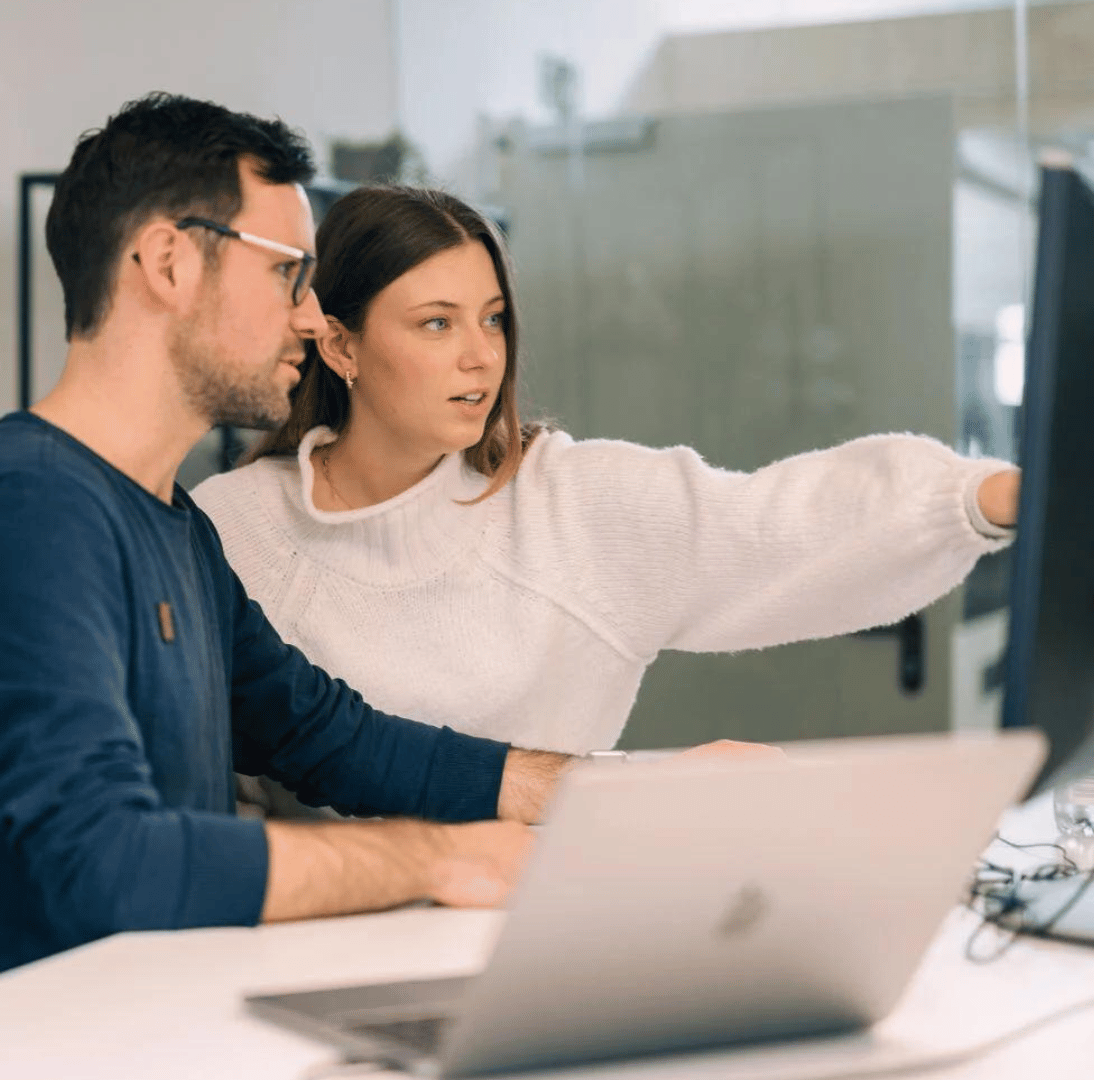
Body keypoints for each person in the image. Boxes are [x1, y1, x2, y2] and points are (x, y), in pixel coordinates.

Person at [1, 95, 762, 973]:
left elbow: (331, 737)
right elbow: (101, 862)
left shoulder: (176, 527)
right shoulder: (34, 507)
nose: (308, 316)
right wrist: (442, 857)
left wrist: (617, 787)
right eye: (288, 273)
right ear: (170, 262)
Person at [192, 184, 1020, 781]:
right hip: (310, 969)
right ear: (340, 348)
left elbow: (780, 524)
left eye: (493, 319)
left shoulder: (567, 505)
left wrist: (985, 499)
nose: (482, 356)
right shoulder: (232, 531)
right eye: (436, 323)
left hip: (546, 942)